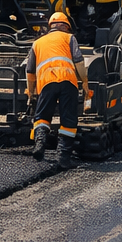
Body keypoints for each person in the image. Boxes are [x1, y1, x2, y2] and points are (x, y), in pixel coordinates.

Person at [27, 11, 89, 167]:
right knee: (68, 120)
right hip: (68, 82)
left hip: (46, 83)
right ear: (65, 27)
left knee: (42, 116)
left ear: (51, 27)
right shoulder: (69, 38)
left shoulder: (37, 43)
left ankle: (40, 145)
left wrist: (31, 93)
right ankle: (63, 158)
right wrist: (85, 83)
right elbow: (79, 62)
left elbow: (29, 71)